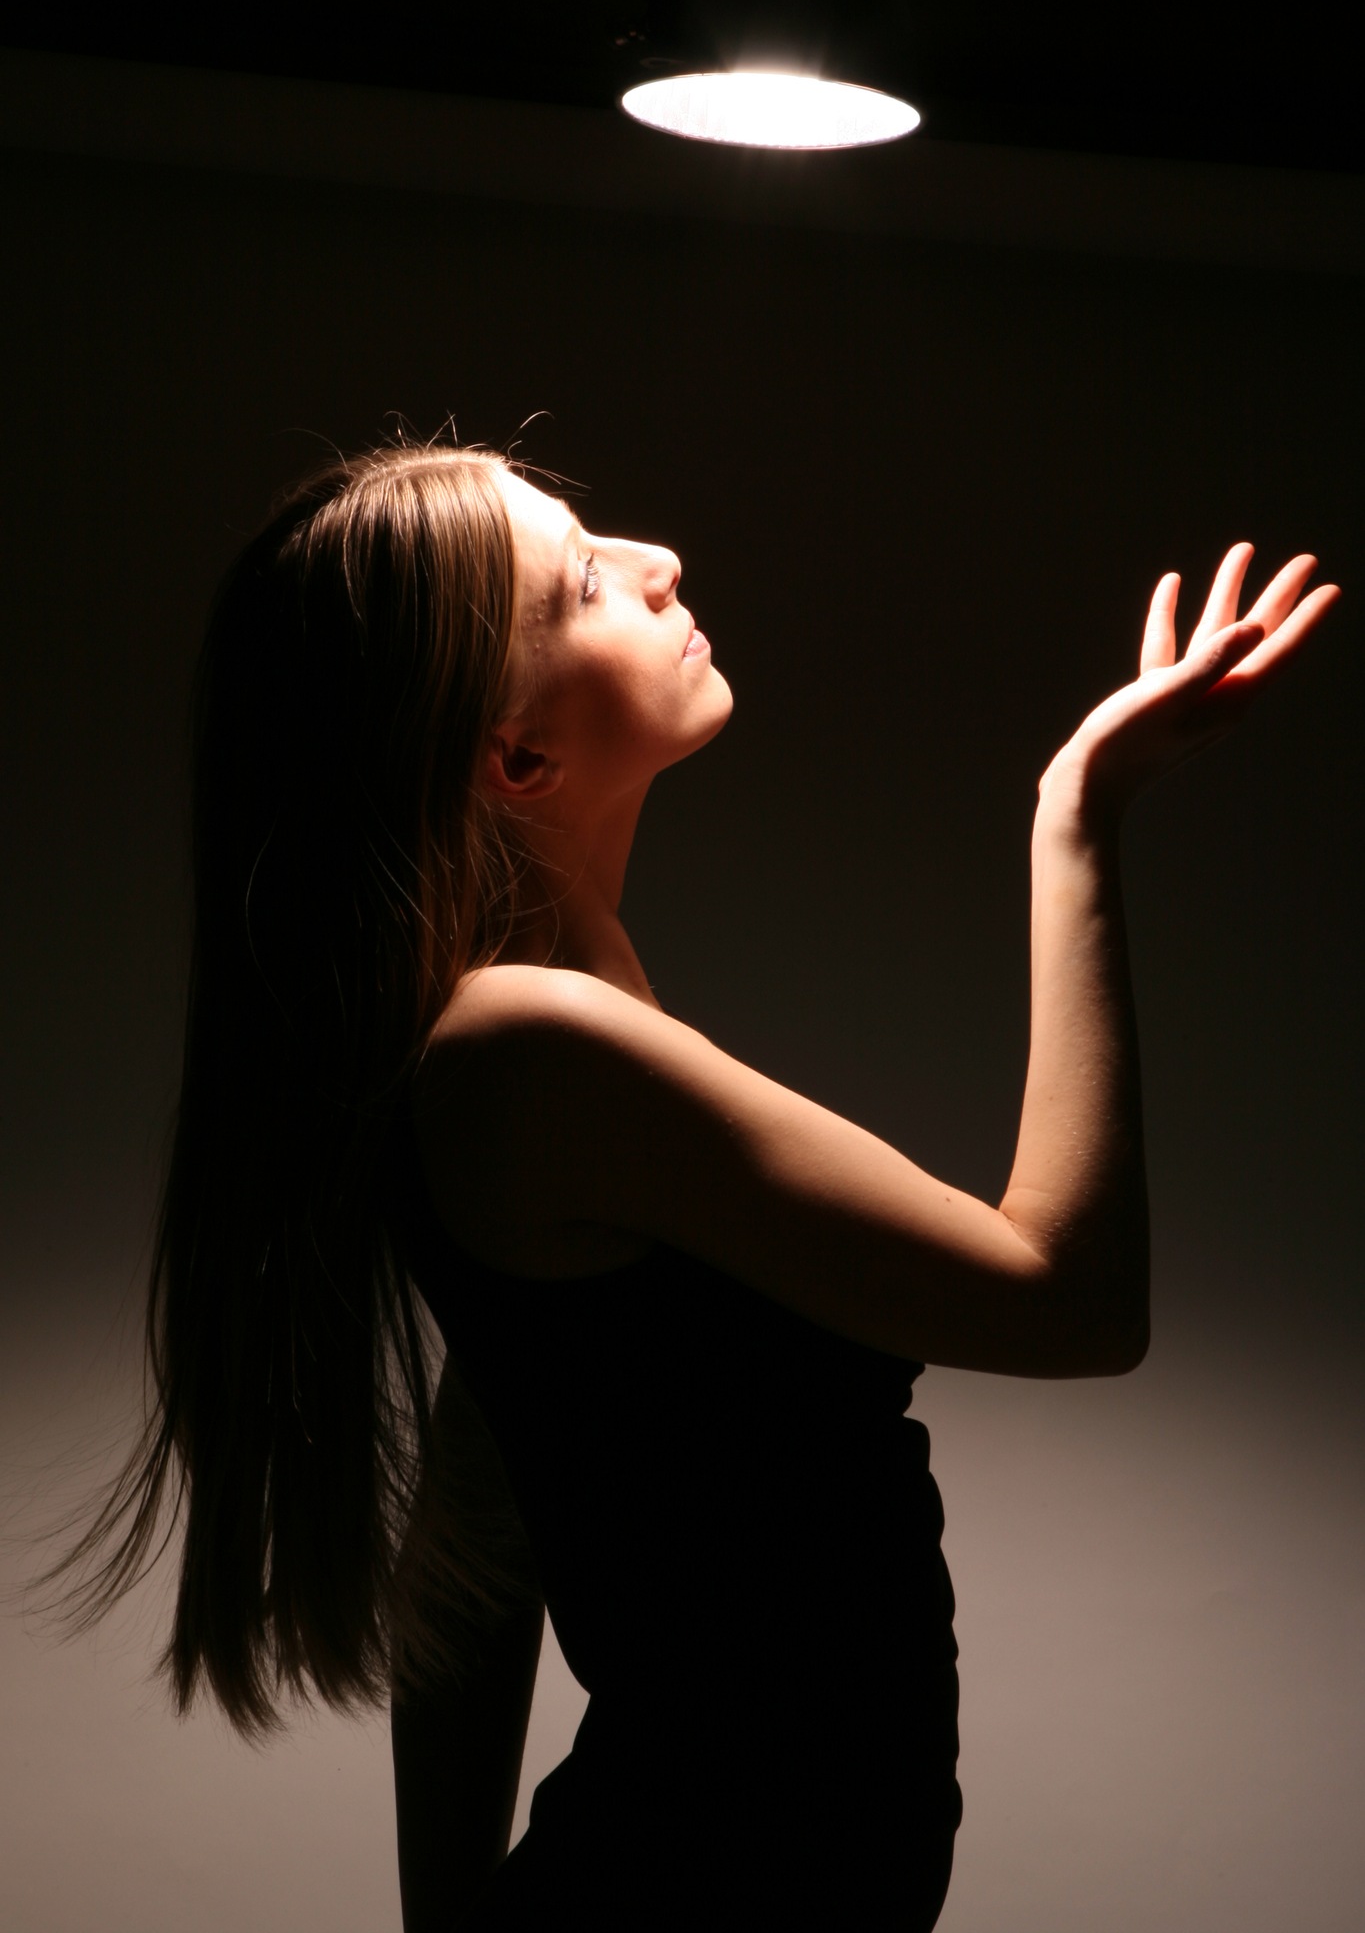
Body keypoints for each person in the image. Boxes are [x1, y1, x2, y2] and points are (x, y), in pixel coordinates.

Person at [51, 439, 1337, 1931]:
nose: (658, 562)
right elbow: (1070, 1300)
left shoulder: (533, 1049)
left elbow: (476, 1538)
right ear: (518, 757)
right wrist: (1077, 815)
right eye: (584, 583)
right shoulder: (528, 1050)